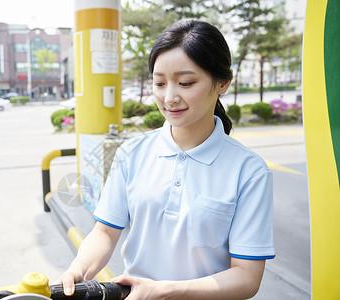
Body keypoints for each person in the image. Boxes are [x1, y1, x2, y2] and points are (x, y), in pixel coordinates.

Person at [57, 20, 275, 299]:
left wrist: (164, 291)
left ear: (223, 83)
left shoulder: (249, 171)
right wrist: (78, 270)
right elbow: (105, 232)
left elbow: (247, 277)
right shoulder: (132, 153)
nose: (169, 97)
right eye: (159, 83)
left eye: (186, 83)